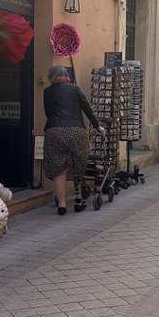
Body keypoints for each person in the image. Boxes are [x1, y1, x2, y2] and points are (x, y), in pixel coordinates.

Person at [43, 66, 104, 215]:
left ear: (51, 78)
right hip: (76, 130)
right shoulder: (75, 89)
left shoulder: (47, 92)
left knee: (59, 169)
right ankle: (78, 199)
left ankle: (62, 205)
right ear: (67, 76)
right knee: (78, 162)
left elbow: (48, 113)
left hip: (54, 131)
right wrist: (97, 126)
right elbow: (87, 108)